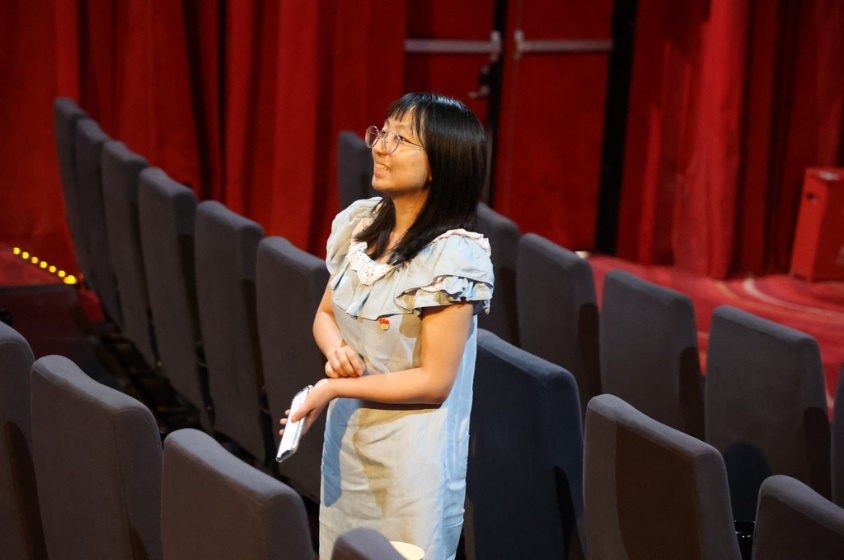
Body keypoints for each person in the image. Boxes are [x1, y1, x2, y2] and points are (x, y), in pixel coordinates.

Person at [282, 92, 494, 560]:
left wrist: (333, 388)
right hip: (348, 446)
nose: (380, 147)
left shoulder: (453, 258)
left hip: (409, 467)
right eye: (383, 132)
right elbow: (325, 314)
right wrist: (336, 350)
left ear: (439, 164)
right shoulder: (364, 223)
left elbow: (435, 382)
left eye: (400, 139)